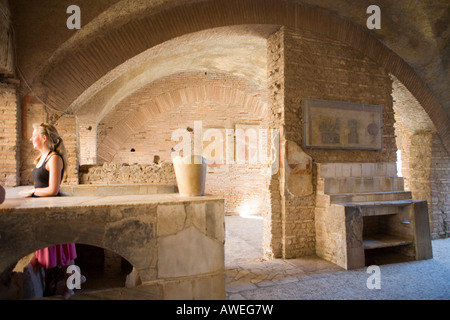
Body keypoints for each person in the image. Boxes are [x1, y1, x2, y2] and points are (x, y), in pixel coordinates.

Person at [19, 122, 80, 299]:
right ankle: (61, 285)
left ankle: (71, 287)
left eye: (33, 135)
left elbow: (53, 189)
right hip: (44, 209)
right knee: (56, 249)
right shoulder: (40, 159)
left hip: (56, 209)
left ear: (44, 138)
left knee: (67, 253)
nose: (31, 139)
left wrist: (32, 192)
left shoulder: (54, 158)